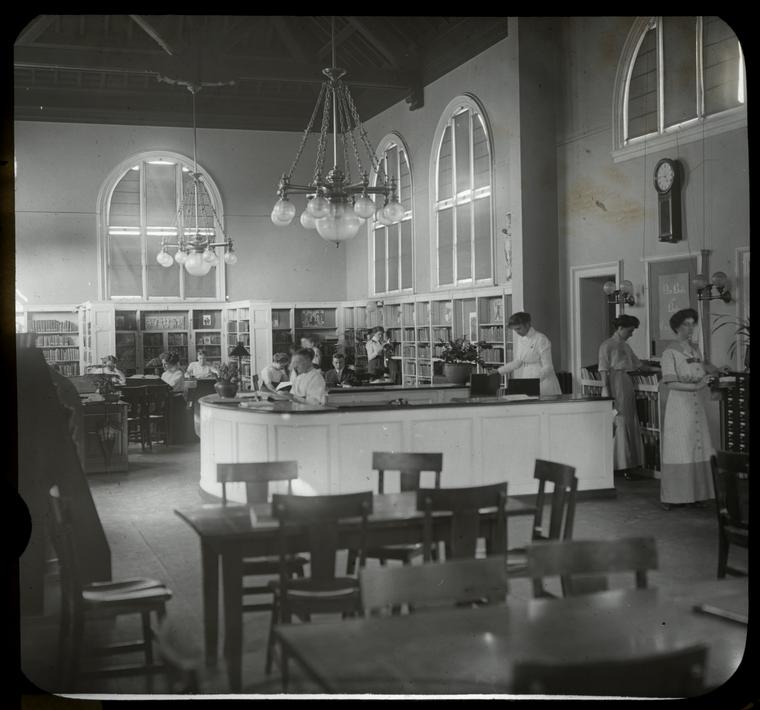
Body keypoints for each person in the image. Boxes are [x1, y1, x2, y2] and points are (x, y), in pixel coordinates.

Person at [659, 308, 720, 511]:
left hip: (697, 404)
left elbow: (703, 369)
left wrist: (716, 371)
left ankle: (697, 494)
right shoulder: (669, 352)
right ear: (676, 327)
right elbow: (670, 383)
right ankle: (674, 496)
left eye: (692, 323)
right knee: (681, 449)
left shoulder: (695, 350)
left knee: (698, 446)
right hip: (680, 407)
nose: (690, 327)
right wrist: (696, 385)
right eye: (686, 324)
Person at [598, 314, 644, 476]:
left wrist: (658, 369)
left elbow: (637, 364)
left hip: (626, 382)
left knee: (629, 420)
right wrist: (606, 389)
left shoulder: (625, 345)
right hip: (614, 382)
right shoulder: (607, 345)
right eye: (630, 331)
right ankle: (621, 465)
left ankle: (629, 463)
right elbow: (603, 368)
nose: (631, 334)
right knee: (620, 419)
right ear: (620, 328)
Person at [497, 312, 562, 396]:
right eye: (515, 329)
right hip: (527, 379)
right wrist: (499, 371)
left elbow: (548, 367)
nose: (517, 332)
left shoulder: (541, 339)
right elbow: (518, 362)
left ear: (527, 324)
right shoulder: (521, 339)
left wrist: (533, 381)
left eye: (519, 328)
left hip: (543, 381)